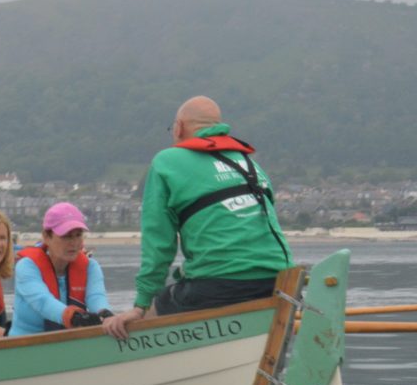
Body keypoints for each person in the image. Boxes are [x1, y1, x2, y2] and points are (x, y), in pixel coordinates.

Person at [103, 96, 293, 340]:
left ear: (179, 127)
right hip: (282, 282)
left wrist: (140, 306)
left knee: (149, 317)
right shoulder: (250, 164)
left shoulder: (167, 162)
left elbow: (158, 244)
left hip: (220, 284)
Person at [8, 202, 111, 336]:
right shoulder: (27, 267)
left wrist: (106, 315)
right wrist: (73, 316)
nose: (74, 243)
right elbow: (43, 301)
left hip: (67, 344)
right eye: (66, 236)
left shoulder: (91, 267)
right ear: (46, 237)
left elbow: (96, 297)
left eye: (78, 235)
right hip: (26, 344)